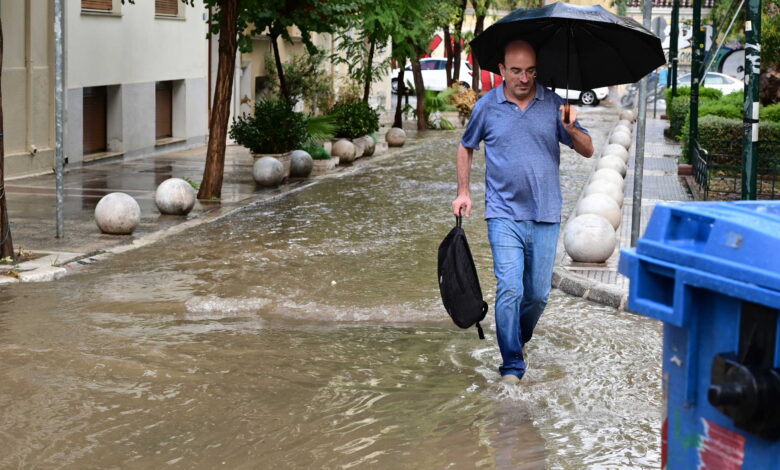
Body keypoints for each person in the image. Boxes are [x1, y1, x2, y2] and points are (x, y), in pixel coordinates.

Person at [451, 40, 593, 385]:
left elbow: (589, 150)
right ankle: (512, 364)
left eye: (530, 70)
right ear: (501, 70)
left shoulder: (555, 105)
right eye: (516, 70)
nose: (524, 77)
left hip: (546, 214)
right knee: (510, 289)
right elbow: (466, 146)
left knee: (538, 295)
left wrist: (572, 127)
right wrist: (464, 192)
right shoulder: (487, 107)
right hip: (503, 213)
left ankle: (518, 337)